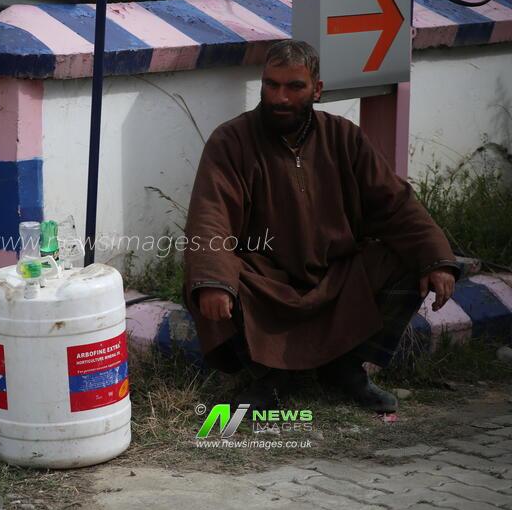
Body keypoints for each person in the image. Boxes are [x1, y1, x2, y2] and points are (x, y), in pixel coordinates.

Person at [183, 40, 459, 413]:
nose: (280, 97)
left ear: (317, 89)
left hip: (337, 276)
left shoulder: (344, 137)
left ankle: (345, 369)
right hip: (266, 281)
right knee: (209, 278)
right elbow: (210, 219)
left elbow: (395, 205)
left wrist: (437, 258)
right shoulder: (231, 141)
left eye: (294, 86)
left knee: (411, 260)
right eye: (271, 85)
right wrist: (214, 280)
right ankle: (271, 377)